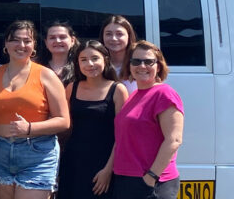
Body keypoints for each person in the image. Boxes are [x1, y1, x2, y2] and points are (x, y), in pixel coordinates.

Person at [0, 20, 69, 199]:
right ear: (6, 44)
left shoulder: (46, 75)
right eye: (15, 40)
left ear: (34, 45)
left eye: (27, 41)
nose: (21, 45)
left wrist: (30, 128)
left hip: (37, 153)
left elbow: (64, 121)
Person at [112, 41, 184, 199]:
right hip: (126, 180)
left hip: (153, 182)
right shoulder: (133, 96)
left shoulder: (164, 94)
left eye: (148, 61)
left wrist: (151, 177)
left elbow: (174, 140)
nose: (142, 66)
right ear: (129, 65)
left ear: (158, 66)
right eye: (136, 61)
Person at [59, 41, 128, 199]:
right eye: (83, 59)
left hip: (103, 164)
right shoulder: (71, 88)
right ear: (77, 63)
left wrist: (108, 170)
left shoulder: (117, 89)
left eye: (95, 58)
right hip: (73, 163)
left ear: (105, 59)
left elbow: (122, 135)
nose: (90, 64)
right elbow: (65, 127)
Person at [100, 15, 138, 93]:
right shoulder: (97, 66)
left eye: (119, 34)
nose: (114, 38)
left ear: (129, 36)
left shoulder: (140, 64)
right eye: (108, 34)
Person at [37, 21, 78, 86]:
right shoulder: (36, 67)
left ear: (72, 40)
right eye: (52, 38)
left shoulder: (81, 67)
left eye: (62, 37)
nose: (57, 41)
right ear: (46, 42)